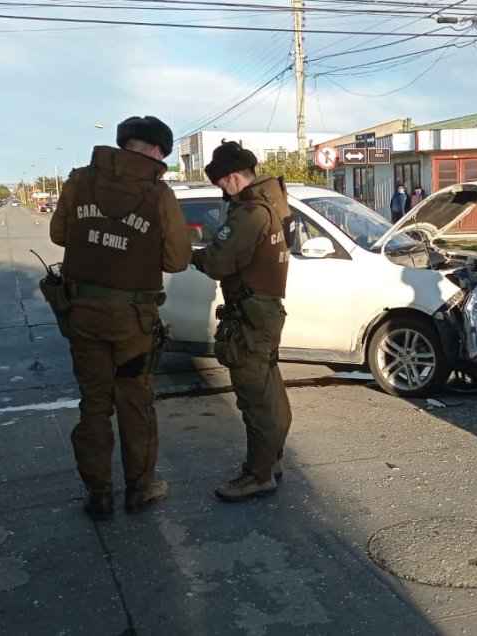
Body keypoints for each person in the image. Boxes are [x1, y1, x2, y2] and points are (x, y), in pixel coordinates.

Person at [50, 115, 192, 519]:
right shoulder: (159, 195)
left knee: (93, 404)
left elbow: (59, 235)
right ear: (155, 151)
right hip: (133, 322)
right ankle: (140, 487)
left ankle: (99, 493)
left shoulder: (78, 180)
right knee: (135, 402)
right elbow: (177, 260)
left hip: (83, 315)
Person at [194, 140, 296, 502]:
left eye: (222, 183)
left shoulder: (249, 212)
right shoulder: (274, 203)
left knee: (254, 396)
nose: (222, 190)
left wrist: (196, 257)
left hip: (250, 314)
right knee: (270, 388)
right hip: (266, 309)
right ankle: (273, 460)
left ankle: (258, 474)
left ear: (234, 177)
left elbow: (220, 261)